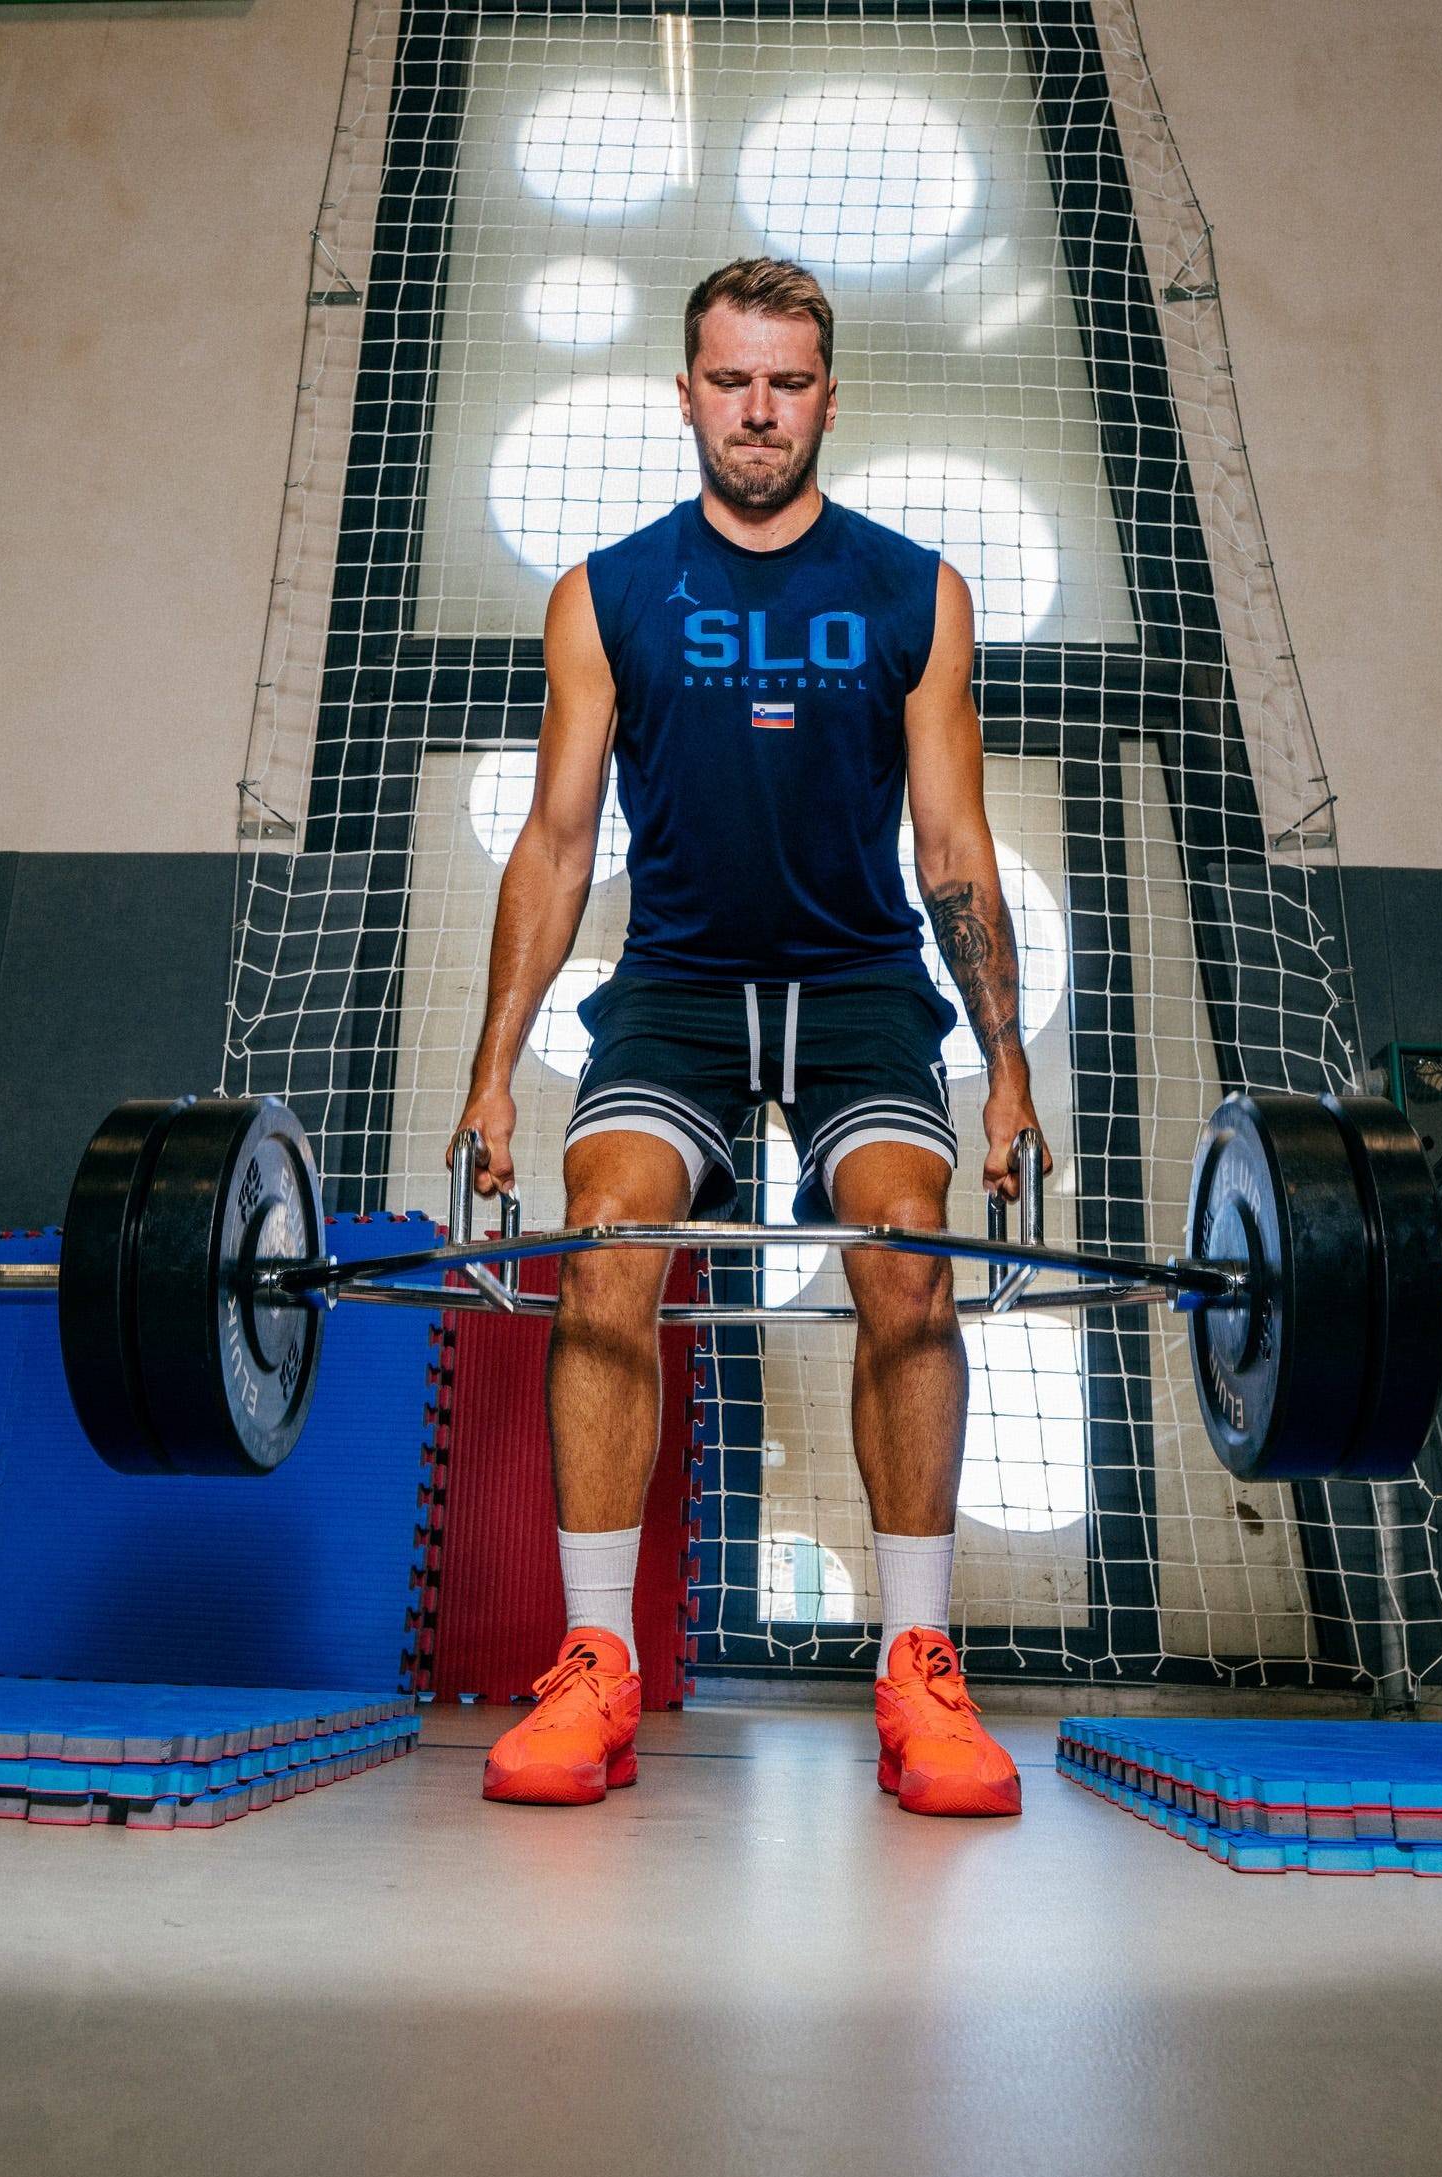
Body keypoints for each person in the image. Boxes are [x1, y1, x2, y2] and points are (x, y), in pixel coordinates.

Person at [453, 256, 1049, 1818]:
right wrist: (493, 1073)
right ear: (689, 393)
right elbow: (560, 842)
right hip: (681, 987)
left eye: (788, 383)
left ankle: (919, 1666)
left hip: (858, 987)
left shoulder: (917, 591)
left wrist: (1007, 1070)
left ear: (828, 400)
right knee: (606, 1238)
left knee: (907, 1253)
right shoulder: (605, 595)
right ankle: (596, 1664)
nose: (759, 410)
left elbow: (955, 843)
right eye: (732, 381)